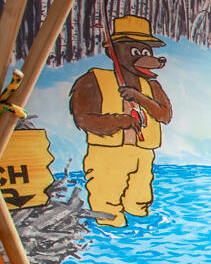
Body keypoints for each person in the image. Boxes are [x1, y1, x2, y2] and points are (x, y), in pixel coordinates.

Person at [70, 15, 173, 227]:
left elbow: (164, 115)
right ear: (113, 52)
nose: (145, 57)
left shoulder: (151, 86)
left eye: (146, 51)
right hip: (108, 154)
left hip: (143, 152)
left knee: (140, 201)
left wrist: (139, 98)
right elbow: (84, 119)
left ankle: (143, 241)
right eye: (136, 52)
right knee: (107, 205)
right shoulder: (94, 80)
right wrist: (119, 121)